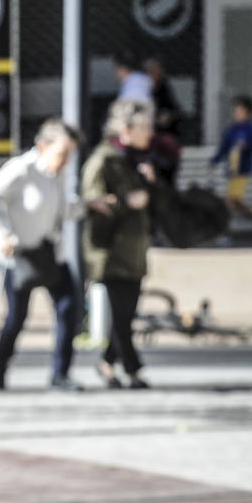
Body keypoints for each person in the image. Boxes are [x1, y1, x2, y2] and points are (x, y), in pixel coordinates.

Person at [0, 118, 85, 392]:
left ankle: (60, 374)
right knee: (17, 317)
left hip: (48, 253)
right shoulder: (21, 169)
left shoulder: (55, 175)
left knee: (69, 307)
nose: (66, 160)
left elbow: (58, 211)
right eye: (62, 153)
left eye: (70, 154)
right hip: (16, 256)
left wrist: (88, 206)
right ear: (42, 146)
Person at [81, 99, 156, 389]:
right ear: (125, 130)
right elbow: (93, 203)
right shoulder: (103, 161)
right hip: (110, 253)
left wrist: (149, 183)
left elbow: (148, 203)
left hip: (134, 252)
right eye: (145, 126)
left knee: (126, 315)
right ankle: (133, 369)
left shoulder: (133, 160)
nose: (150, 133)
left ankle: (107, 363)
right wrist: (126, 202)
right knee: (122, 316)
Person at [210, 94, 252, 240]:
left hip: (243, 171)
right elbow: (223, 148)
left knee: (230, 201)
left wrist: (246, 146)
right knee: (236, 202)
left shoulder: (250, 128)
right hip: (232, 171)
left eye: (238, 108)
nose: (235, 110)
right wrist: (214, 161)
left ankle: (223, 233)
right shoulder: (231, 130)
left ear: (246, 111)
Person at [145, 57, 183, 185]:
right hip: (149, 143)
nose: (155, 74)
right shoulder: (143, 91)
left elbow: (176, 111)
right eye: (152, 71)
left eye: (157, 70)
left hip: (166, 142)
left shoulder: (165, 88)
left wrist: (168, 117)